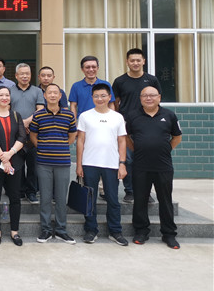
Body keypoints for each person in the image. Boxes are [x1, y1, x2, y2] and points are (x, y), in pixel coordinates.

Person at [126, 86, 182, 249]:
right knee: (140, 200)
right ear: (140, 98)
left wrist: (166, 149)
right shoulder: (133, 116)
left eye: (152, 95)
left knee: (165, 200)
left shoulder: (169, 115)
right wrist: (137, 149)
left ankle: (169, 234)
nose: (148, 98)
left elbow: (177, 137)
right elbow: (126, 137)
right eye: (145, 95)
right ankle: (141, 231)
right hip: (140, 165)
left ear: (159, 97)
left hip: (163, 166)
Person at [76, 83, 128, 246]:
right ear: (92, 97)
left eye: (103, 96)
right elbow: (80, 140)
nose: (100, 99)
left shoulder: (117, 117)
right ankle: (91, 230)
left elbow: (122, 141)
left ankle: (115, 231)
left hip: (111, 164)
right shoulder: (85, 116)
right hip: (89, 163)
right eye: (96, 96)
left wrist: (122, 163)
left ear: (109, 97)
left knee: (113, 199)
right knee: (89, 199)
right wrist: (79, 164)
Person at [30, 83, 77, 244]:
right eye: (49, 93)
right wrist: (43, 147)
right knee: (45, 197)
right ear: (45, 96)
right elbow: (33, 135)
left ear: (60, 96)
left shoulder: (68, 115)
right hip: (43, 162)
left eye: (55, 93)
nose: (52, 95)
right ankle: (46, 229)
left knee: (61, 198)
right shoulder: (38, 115)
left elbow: (72, 136)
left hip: (63, 162)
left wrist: (62, 146)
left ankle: (61, 230)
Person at [113, 48, 162, 203]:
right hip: (126, 127)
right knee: (127, 159)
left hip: (146, 126)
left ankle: (146, 192)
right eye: (132, 60)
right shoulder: (120, 81)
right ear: (127, 62)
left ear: (143, 61)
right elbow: (115, 103)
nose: (135, 63)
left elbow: (157, 101)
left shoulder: (152, 80)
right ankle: (130, 191)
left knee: (146, 159)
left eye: (138, 60)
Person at [0, 86, 26, 246]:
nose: (4, 98)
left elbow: (22, 136)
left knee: (15, 197)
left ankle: (14, 231)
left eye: (7, 95)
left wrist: (10, 154)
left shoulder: (16, 115)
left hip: (15, 162)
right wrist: (4, 158)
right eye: (1, 95)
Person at [9, 63, 44, 204]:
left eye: (27, 73)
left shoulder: (37, 91)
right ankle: (20, 191)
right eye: (22, 74)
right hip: (15, 133)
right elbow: (6, 109)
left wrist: (27, 122)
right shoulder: (9, 91)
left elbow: (40, 109)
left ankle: (31, 192)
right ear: (16, 76)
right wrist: (20, 124)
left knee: (33, 164)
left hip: (33, 132)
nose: (25, 76)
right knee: (18, 164)